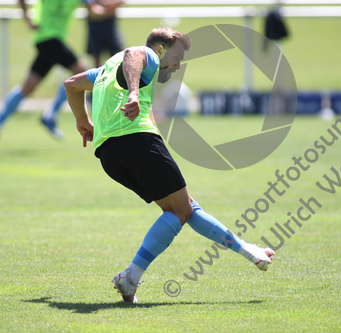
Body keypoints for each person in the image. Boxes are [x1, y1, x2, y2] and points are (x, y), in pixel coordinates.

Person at [64, 27, 276, 303]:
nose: (178, 65)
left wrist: (82, 120)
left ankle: (249, 251)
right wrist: (132, 94)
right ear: (161, 50)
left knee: (183, 207)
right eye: (176, 56)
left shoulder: (106, 68)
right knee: (180, 210)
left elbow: (71, 84)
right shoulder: (149, 56)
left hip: (109, 154)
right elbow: (133, 53)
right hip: (137, 141)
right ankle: (131, 277)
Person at [0, 0, 117, 140]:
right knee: (80, 71)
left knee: (27, 89)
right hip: (47, 39)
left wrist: (111, 6)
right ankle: (50, 114)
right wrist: (27, 18)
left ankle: (2, 120)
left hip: (48, 42)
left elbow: (94, 11)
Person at [87, 0, 125, 68]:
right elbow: (93, 11)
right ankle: (99, 78)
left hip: (111, 27)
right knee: (97, 63)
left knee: (117, 59)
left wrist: (110, 4)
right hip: (95, 28)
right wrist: (109, 9)